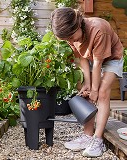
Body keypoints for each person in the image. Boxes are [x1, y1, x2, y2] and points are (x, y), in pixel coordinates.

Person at [51, 7, 123, 157]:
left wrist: (95, 89)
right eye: (67, 40)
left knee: (102, 92)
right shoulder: (71, 35)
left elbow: (98, 64)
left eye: (72, 37)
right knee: (87, 93)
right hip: (92, 58)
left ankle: (98, 140)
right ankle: (87, 136)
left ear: (78, 24)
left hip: (112, 58)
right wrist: (88, 84)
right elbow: (83, 58)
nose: (71, 41)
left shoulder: (98, 30)